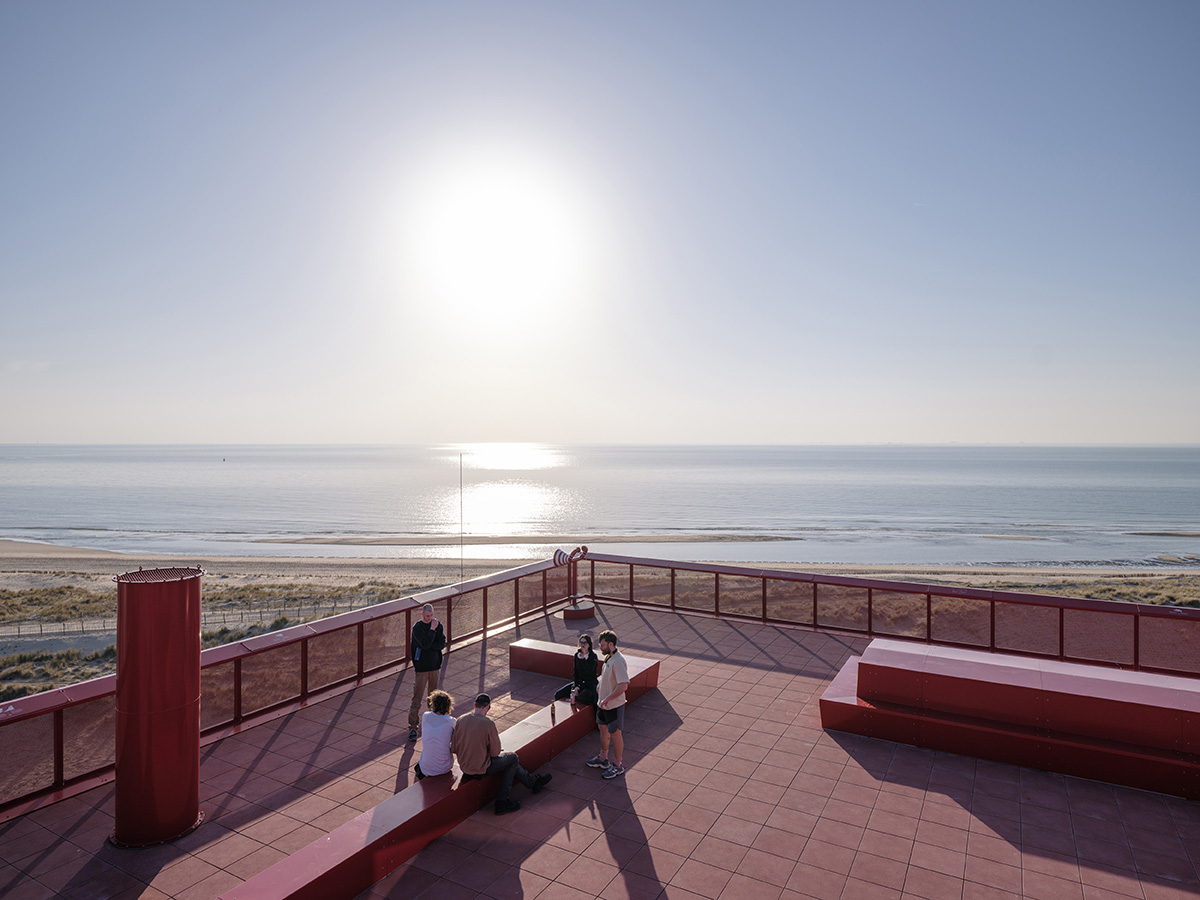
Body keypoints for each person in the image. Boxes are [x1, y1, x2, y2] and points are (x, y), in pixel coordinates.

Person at [451, 692, 552, 815]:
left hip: (465, 767)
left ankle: (533, 782)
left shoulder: (461, 719)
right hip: (481, 768)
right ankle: (503, 801)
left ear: (474, 704)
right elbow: (495, 753)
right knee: (512, 758)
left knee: (510, 763)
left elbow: (454, 748)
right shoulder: (488, 724)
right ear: (488, 707)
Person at [586, 630, 629, 780]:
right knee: (603, 729)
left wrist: (608, 699)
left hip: (613, 706)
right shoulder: (609, 658)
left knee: (616, 734)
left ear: (611, 644)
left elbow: (623, 686)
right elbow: (610, 678)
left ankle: (618, 765)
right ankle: (603, 759)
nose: (600, 648)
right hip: (603, 704)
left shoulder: (618, 661)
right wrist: (600, 685)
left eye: (602, 645)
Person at [408, 604, 446, 742]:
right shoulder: (417, 628)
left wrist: (430, 643)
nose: (430, 618)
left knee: (434, 697)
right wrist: (431, 631)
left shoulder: (438, 625)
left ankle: (433, 724)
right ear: (422, 614)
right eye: (427, 616)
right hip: (422, 668)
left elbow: (441, 643)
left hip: (435, 666)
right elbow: (424, 644)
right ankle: (413, 727)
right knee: (417, 697)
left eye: (431, 616)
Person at [414, 690, 454, 780]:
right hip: (444, 768)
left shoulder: (425, 716)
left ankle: (420, 771)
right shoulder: (451, 721)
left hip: (425, 768)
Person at [553, 633, 599, 709]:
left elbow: (590, 671)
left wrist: (584, 658)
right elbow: (576, 672)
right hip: (580, 683)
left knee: (595, 701)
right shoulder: (577, 656)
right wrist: (576, 685)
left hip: (590, 683)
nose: (583, 645)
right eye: (581, 642)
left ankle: (598, 719)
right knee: (558, 694)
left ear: (589, 644)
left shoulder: (593, 656)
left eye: (585, 643)